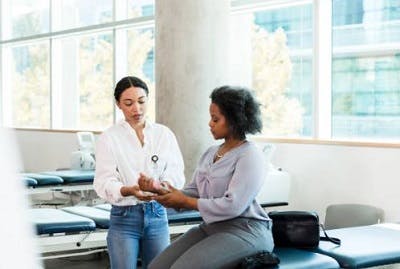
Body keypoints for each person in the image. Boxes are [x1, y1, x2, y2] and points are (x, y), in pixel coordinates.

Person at [140, 85, 274, 269]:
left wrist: (184, 201)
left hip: (246, 231)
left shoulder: (251, 155)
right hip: (212, 227)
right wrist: (160, 189)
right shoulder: (210, 153)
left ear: (234, 120)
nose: (210, 123)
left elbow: (233, 205)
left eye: (215, 119)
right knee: (156, 266)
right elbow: (193, 191)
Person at [93, 76, 185, 269]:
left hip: (158, 215)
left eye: (142, 102)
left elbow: (176, 173)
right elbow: (103, 182)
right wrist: (130, 190)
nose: (137, 109)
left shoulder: (163, 134)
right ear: (118, 104)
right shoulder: (109, 138)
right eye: (129, 103)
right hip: (124, 218)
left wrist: (159, 187)